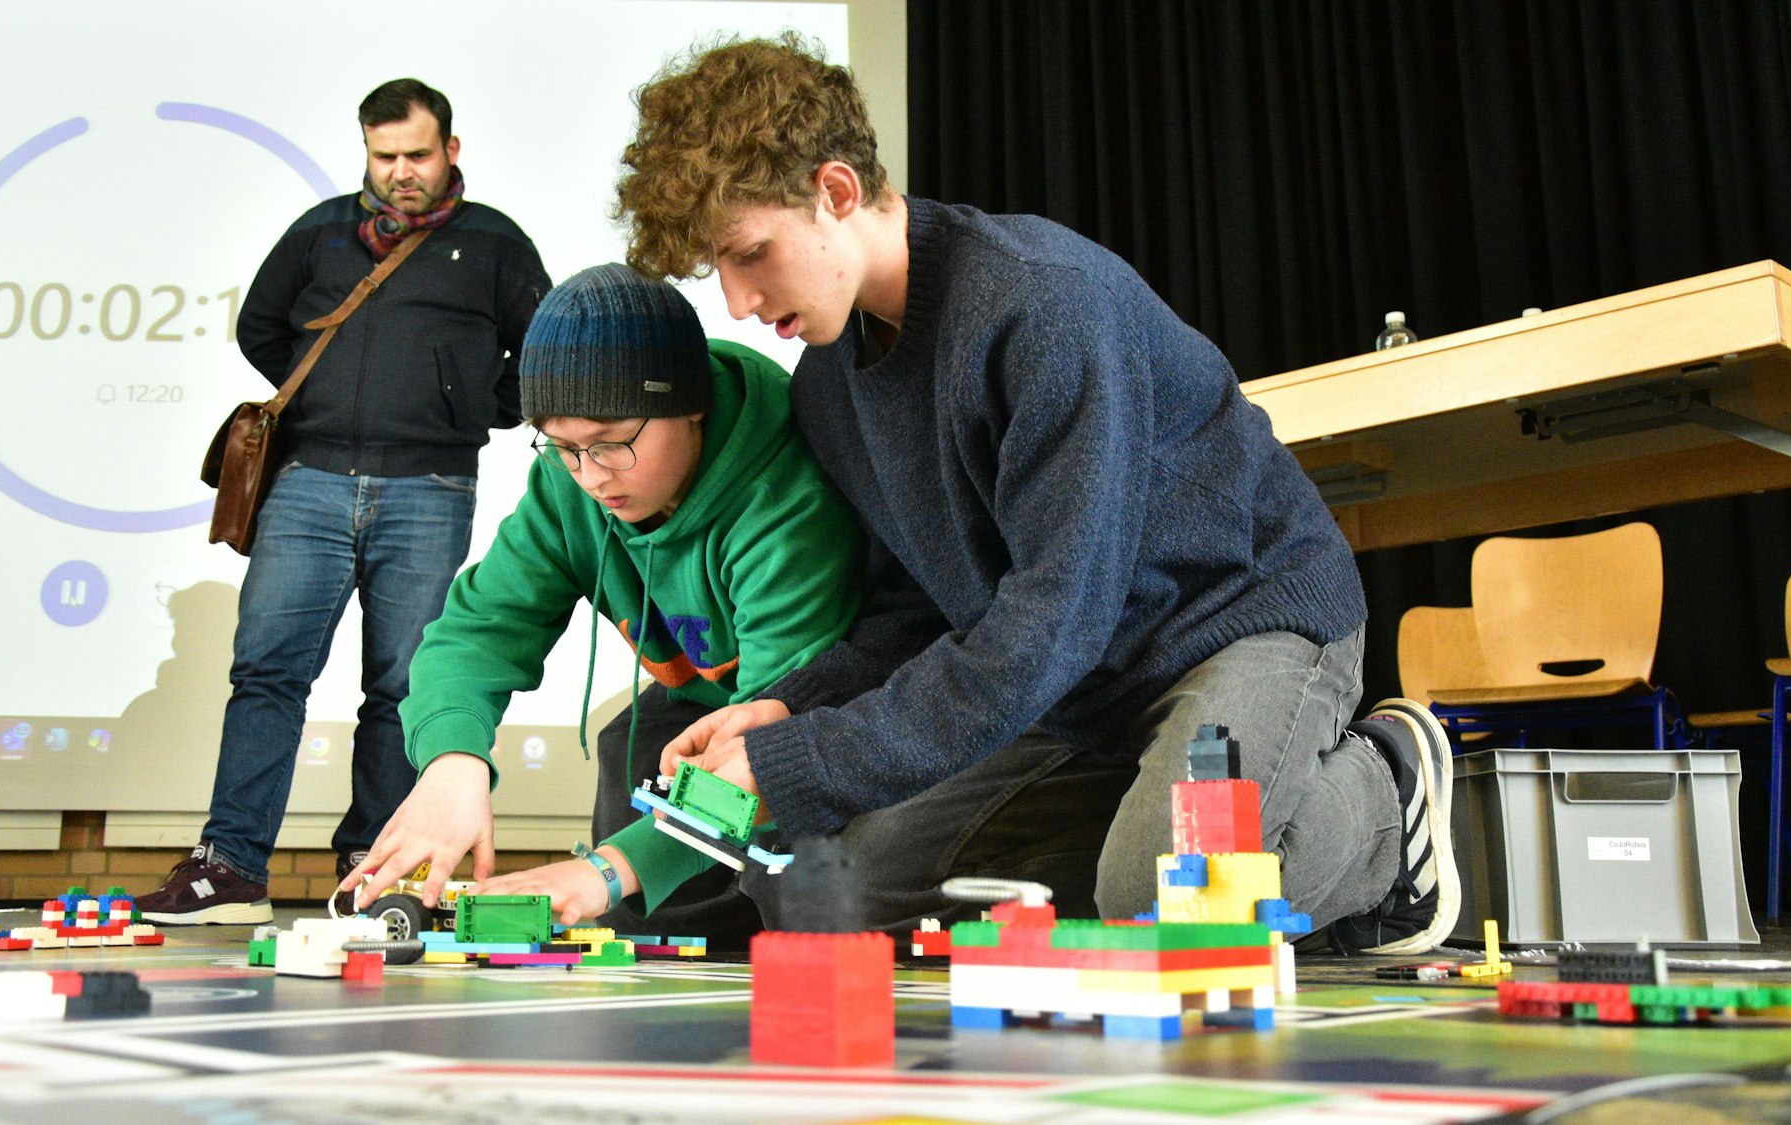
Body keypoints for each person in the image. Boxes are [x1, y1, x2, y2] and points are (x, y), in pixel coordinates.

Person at [615, 34, 1460, 955]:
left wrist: (793, 765)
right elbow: (911, 613)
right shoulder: (829, 386)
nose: (738, 304)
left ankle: (1386, 791)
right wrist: (792, 705)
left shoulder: (1040, 307)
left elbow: (1052, 620)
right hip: (1079, 692)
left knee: (1168, 909)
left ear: (837, 191)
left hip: (1240, 628)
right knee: (847, 889)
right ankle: (1158, 823)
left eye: (751, 255)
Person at [341, 263, 864, 940]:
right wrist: (452, 762)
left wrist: (608, 871)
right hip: (697, 710)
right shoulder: (566, 489)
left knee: (795, 897)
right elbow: (477, 632)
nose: (591, 477)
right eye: (564, 447)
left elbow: (769, 749)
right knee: (634, 752)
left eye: (614, 441)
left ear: (691, 401)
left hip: (818, 714)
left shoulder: (786, 506)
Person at [135, 79, 552, 925]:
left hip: (431, 487)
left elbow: (540, 349)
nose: (401, 172)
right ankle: (231, 868)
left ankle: (374, 865)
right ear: (366, 151)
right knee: (266, 673)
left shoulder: (495, 242)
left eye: (417, 155)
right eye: (384, 156)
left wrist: (474, 402)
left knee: (403, 686)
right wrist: (322, 396)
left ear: (452, 152)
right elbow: (261, 325)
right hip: (310, 481)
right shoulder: (321, 231)